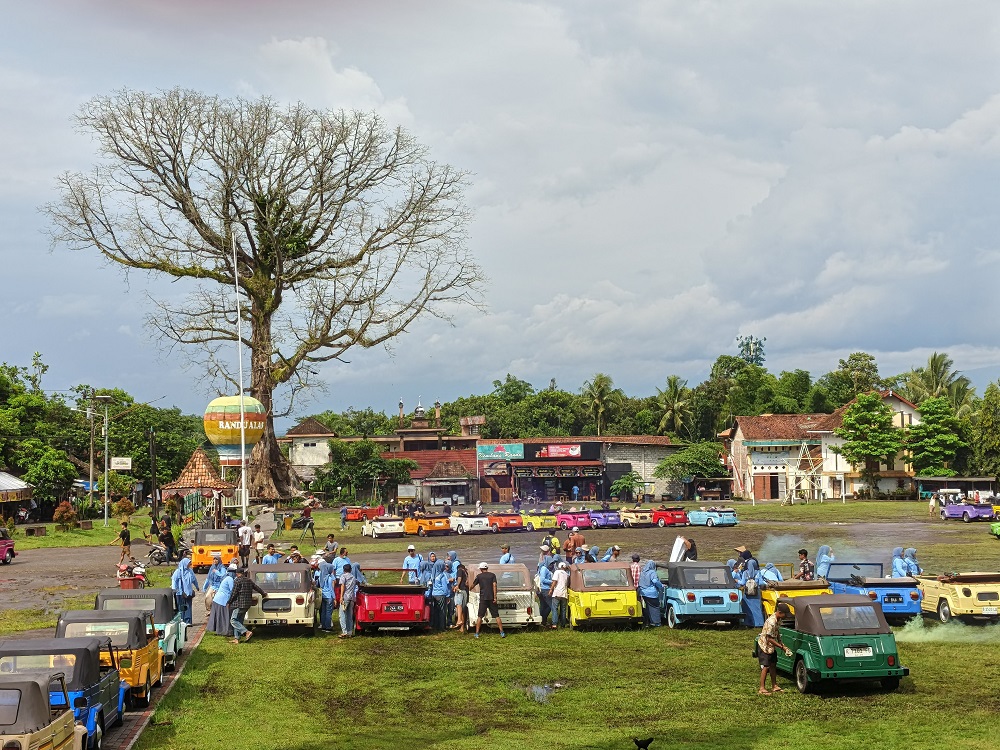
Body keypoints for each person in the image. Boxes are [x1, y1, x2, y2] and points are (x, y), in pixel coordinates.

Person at [757, 601, 793, 695]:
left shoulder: (778, 620)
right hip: (765, 646)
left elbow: (776, 633)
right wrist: (781, 647)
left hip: (771, 647)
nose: (786, 616)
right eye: (785, 614)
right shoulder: (771, 622)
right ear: (780, 612)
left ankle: (774, 686)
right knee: (766, 666)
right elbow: (769, 639)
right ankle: (762, 688)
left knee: (773, 664)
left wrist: (781, 643)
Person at [229, 568, 268, 644]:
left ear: (237, 574)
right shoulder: (249, 580)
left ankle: (246, 632)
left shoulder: (237, 580)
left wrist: (229, 602)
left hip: (239, 604)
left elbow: (233, 593)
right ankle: (236, 639)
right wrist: (263, 594)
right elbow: (257, 588)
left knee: (233, 620)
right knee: (239, 621)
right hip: (247, 604)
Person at [472, 562, 506, 638]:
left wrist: (469, 589)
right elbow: (494, 585)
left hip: (483, 598)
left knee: (480, 616)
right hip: (491, 598)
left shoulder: (479, 576)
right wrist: (495, 597)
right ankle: (502, 632)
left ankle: (477, 633)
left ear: (481, 569)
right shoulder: (492, 575)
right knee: (496, 616)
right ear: (487, 568)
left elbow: (473, 585)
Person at [208, 562, 237, 636]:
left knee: (219, 616)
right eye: (234, 572)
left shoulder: (226, 577)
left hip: (218, 599)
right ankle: (224, 631)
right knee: (223, 616)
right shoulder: (230, 579)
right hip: (222, 600)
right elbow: (232, 590)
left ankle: (220, 631)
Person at [170, 557, 200, 626]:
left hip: (188, 592)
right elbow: (174, 581)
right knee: (181, 607)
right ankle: (181, 621)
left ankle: (188, 621)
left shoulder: (190, 571)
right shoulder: (178, 571)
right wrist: (174, 590)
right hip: (180, 593)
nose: (190, 564)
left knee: (188, 607)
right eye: (188, 563)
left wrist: (197, 586)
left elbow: (194, 579)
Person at [637, 560, 665, 626]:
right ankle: (656, 622)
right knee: (655, 607)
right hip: (651, 593)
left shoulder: (642, 572)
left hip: (643, 592)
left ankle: (647, 621)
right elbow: (655, 581)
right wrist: (661, 585)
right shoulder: (652, 572)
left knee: (648, 607)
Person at [430, 561, 451, 631]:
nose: (444, 567)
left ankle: (435, 626)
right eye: (443, 566)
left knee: (436, 611)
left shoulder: (433, 575)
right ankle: (442, 627)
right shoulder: (442, 576)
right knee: (442, 611)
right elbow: (445, 587)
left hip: (434, 594)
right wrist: (448, 596)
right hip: (441, 595)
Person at [549, 561, 570, 629]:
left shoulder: (557, 572)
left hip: (557, 592)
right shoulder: (567, 574)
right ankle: (563, 624)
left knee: (554, 608)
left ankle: (554, 624)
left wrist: (551, 589)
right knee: (563, 609)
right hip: (564, 593)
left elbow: (555, 581)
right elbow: (567, 584)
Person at [318, 556, 337, 632]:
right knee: (329, 612)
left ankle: (323, 625)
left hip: (323, 595)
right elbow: (331, 589)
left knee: (323, 611)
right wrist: (334, 598)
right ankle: (328, 627)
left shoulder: (321, 577)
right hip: (329, 596)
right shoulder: (329, 578)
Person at [338, 564, 357, 638]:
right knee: (349, 615)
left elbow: (342, 585)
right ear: (350, 570)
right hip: (352, 597)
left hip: (345, 597)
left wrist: (341, 597)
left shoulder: (343, 576)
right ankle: (350, 631)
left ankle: (344, 631)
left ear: (343, 570)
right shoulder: (353, 577)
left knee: (342, 614)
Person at [536, 551, 553, 627]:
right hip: (545, 589)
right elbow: (543, 580)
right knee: (550, 606)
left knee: (543, 605)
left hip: (542, 589)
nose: (552, 565)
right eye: (551, 563)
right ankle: (543, 619)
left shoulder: (543, 568)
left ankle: (542, 621)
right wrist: (552, 582)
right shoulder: (544, 569)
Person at [452, 562, 470, 631]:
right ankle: (462, 628)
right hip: (465, 591)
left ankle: (459, 620)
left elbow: (459, 578)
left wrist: (457, 585)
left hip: (460, 590)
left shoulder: (460, 570)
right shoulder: (466, 573)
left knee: (458, 604)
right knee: (463, 609)